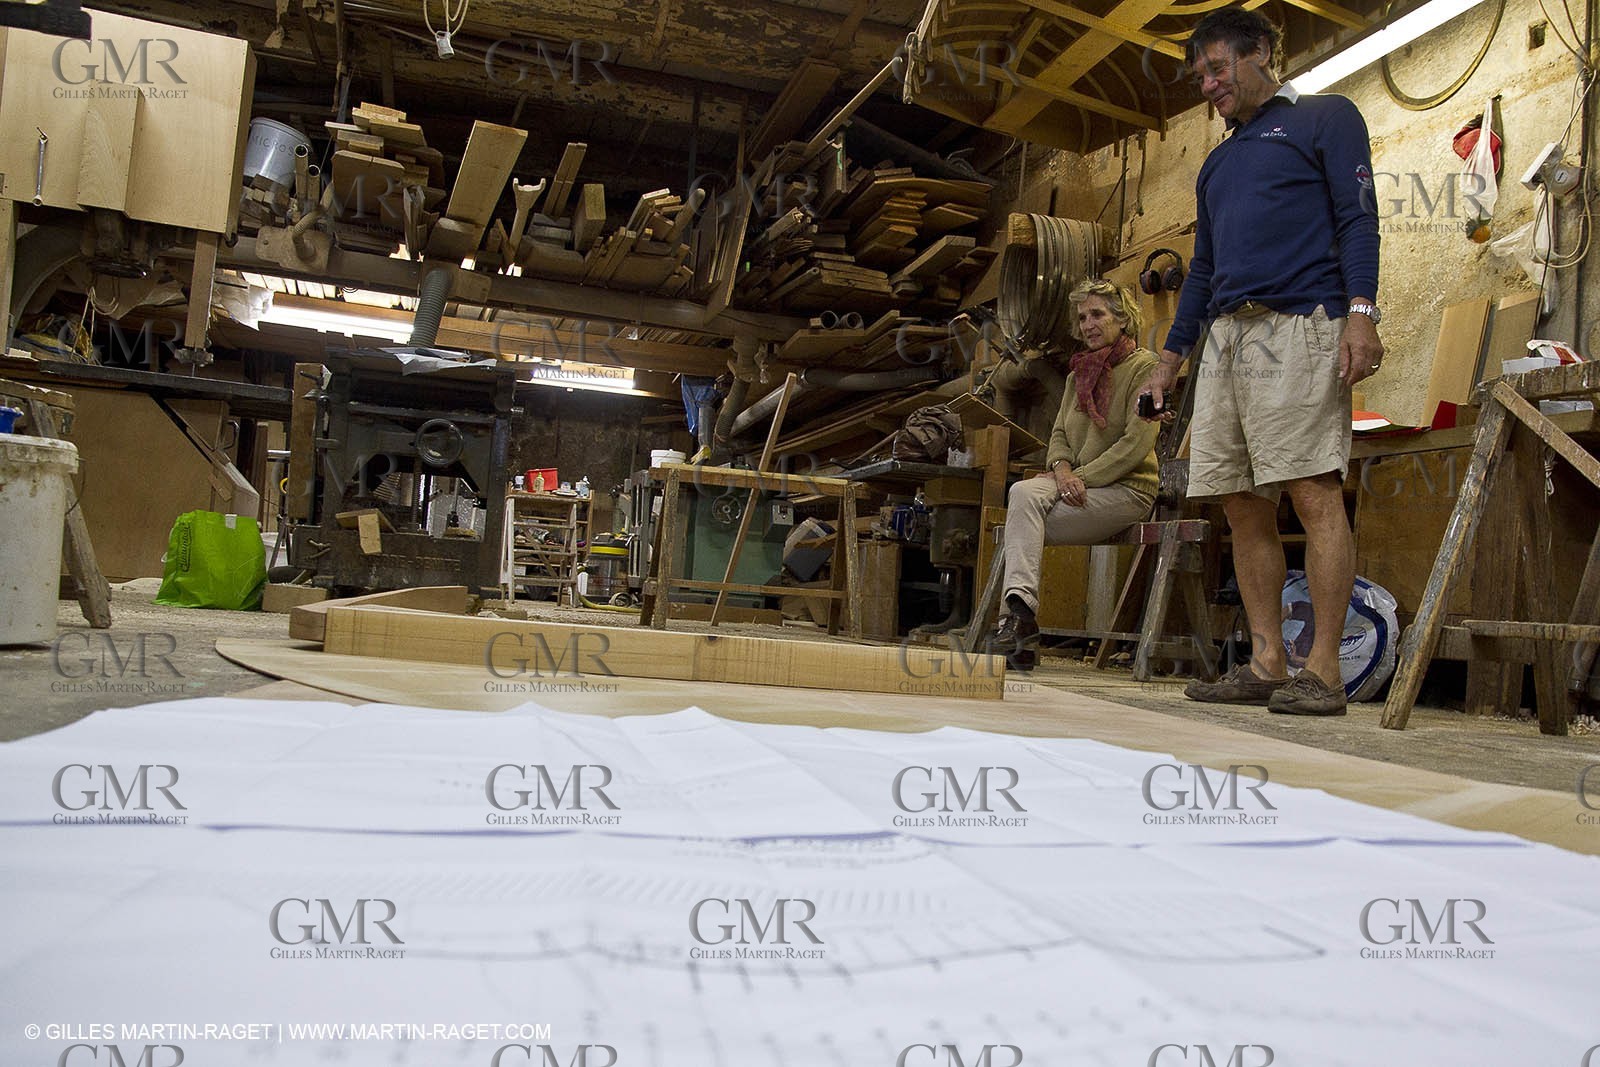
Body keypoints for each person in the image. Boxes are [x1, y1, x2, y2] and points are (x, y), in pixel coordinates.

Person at [1144, 6, 1383, 716]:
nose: (1209, 85)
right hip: (1226, 340)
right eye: (1201, 76)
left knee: (1312, 493)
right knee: (1242, 507)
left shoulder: (1324, 118)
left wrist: (1361, 314)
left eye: (1219, 68)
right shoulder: (1217, 163)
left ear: (1262, 54)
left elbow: (1357, 217)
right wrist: (1171, 357)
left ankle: (1325, 672)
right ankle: (1267, 660)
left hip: (1302, 324)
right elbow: (1205, 268)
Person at [988, 279, 1161, 670]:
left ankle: (1017, 628)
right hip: (1077, 486)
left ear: (1122, 318)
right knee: (1022, 495)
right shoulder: (1076, 374)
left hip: (1127, 491)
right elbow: (1061, 434)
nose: (1088, 324)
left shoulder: (1145, 367)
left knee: (1022, 523)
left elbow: (1135, 444)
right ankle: (1020, 617)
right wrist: (1063, 471)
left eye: (1097, 314)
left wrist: (1080, 477)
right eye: (1082, 317)